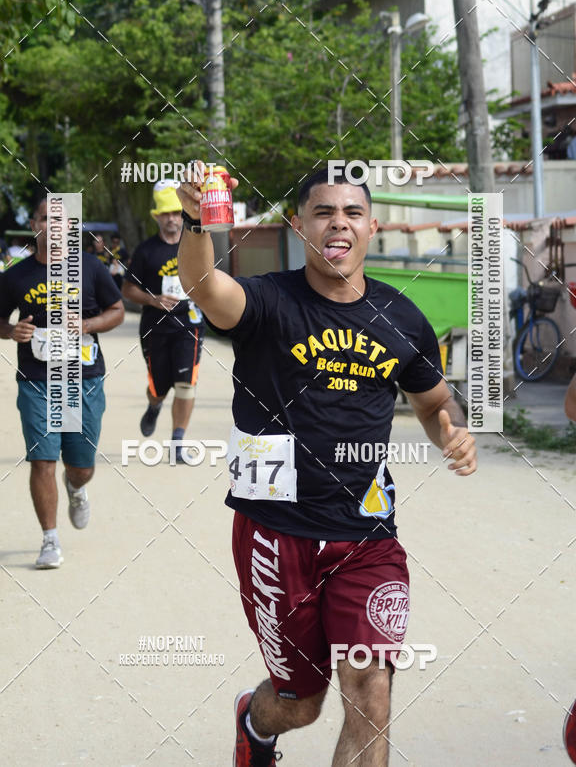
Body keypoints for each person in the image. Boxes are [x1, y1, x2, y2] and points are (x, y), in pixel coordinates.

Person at [176, 164, 477, 767]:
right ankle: (256, 723)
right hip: (276, 533)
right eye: (323, 212)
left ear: (370, 227)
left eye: (352, 212)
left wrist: (454, 431)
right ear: (299, 225)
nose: (339, 223)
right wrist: (195, 222)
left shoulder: (403, 319)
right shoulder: (269, 301)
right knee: (302, 702)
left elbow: (433, 399)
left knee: (371, 690)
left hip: (368, 535)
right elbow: (207, 288)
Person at [0, 198, 124, 569]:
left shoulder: (91, 268)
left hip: (84, 377)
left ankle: (76, 487)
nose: (53, 226)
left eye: (61, 220)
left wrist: (87, 325)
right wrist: (12, 330)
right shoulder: (16, 275)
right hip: (37, 379)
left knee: (80, 464)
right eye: (46, 218)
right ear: (35, 223)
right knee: (42, 460)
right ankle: (50, 540)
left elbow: (117, 311)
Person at [122, 181, 205, 460]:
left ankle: (177, 442)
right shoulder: (146, 251)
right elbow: (128, 290)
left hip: (189, 325)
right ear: (156, 216)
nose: (171, 218)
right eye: (165, 214)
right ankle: (154, 405)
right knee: (159, 387)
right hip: (155, 328)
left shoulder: (196, 244)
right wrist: (153, 299)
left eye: (175, 212)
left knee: (186, 384)